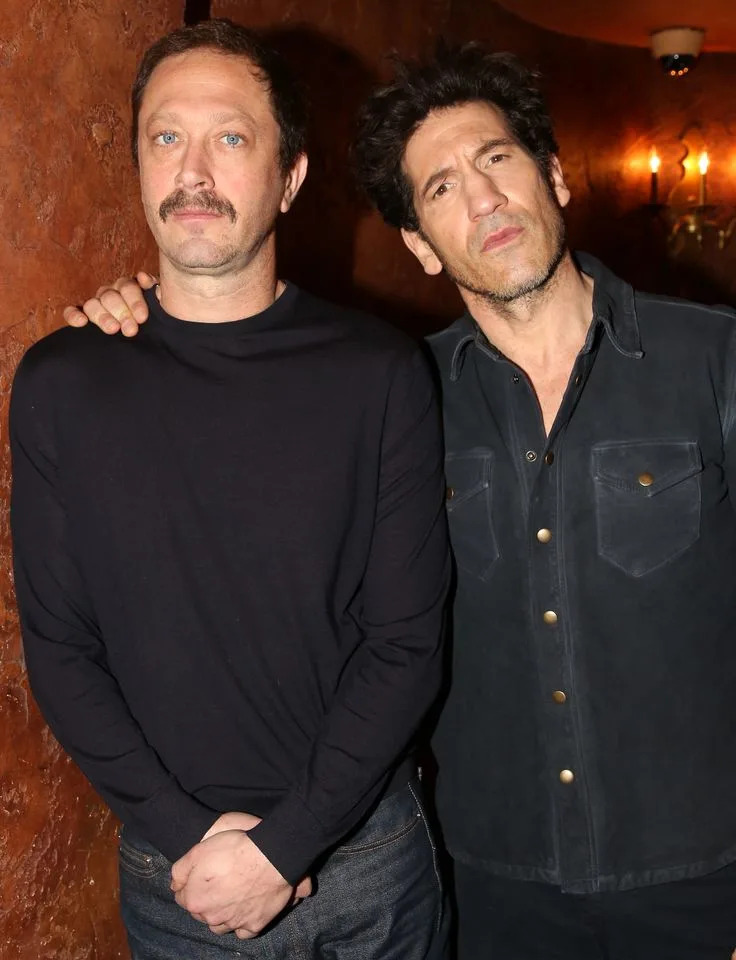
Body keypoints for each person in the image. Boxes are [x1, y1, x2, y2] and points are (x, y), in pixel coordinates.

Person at [82, 40, 736, 960]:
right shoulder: (400, 392)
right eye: (440, 188)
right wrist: (131, 314)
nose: (483, 199)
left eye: (497, 159)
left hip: (704, 876)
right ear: (421, 246)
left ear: (555, 177)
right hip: (491, 886)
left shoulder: (713, 360)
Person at [10, 20, 451, 960]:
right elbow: (59, 646)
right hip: (180, 876)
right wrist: (187, 834)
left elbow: (407, 642)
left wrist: (285, 846)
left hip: (366, 864)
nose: (193, 171)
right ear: (138, 165)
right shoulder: (62, 383)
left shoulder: (379, 371)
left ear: (290, 178)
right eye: (166, 137)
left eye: (232, 137)